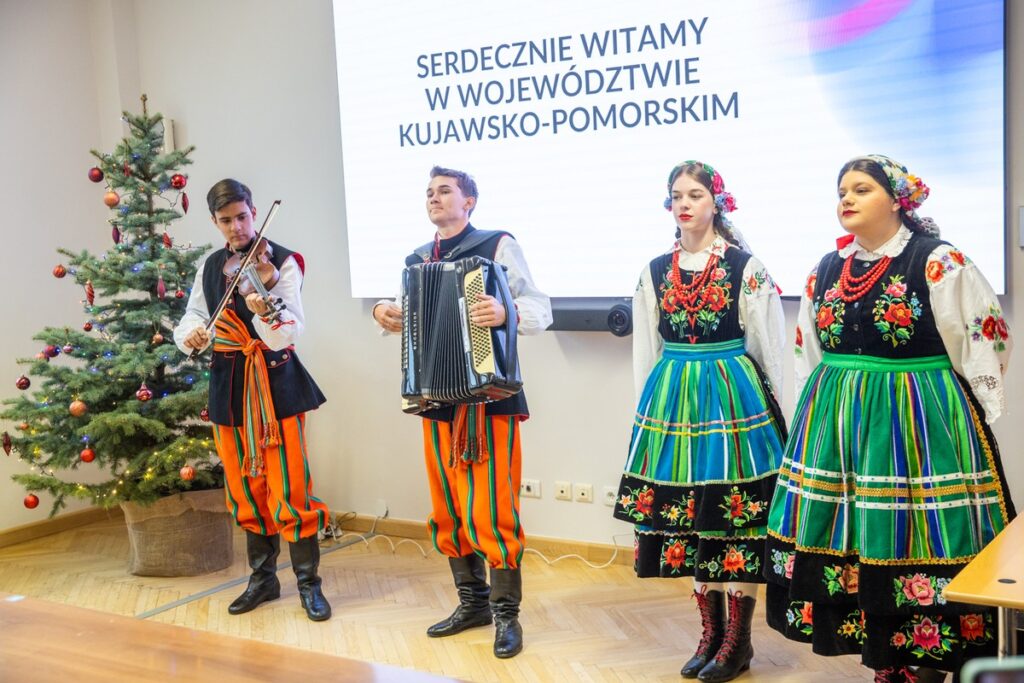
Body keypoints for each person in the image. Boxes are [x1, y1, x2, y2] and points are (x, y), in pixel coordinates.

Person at [763, 155, 1016, 682]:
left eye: (861, 189)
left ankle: (924, 664)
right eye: (842, 191)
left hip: (916, 422)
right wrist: (824, 409)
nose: (847, 200)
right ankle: (887, 662)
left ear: (897, 198)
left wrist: (975, 411)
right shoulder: (826, 269)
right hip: (839, 429)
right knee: (859, 539)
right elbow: (809, 348)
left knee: (916, 536)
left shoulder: (938, 261)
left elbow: (982, 335)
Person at [612, 161, 787, 682]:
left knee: (735, 517)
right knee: (690, 519)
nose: (684, 204)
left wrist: (786, 416)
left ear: (717, 203)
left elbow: (770, 349)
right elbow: (647, 349)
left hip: (733, 400)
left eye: (695, 194)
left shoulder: (745, 268)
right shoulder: (653, 270)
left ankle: (739, 640)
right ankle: (710, 632)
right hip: (676, 402)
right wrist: (646, 414)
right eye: (676, 196)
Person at [372, 166, 551, 659]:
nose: (434, 198)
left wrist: (505, 311)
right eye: (429, 192)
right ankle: (471, 603)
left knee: (492, 507)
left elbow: (539, 307)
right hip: (435, 398)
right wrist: (383, 314)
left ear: (469, 201)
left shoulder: (497, 245)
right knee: (448, 506)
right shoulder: (416, 259)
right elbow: (409, 318)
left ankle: (505, 616)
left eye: (444, 190)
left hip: (489, 400)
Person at [173, 179, 332, 622]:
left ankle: (308, 584)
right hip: (228, 382)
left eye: (243, 217)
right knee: (245, 485)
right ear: (214, 222)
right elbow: (193, 314)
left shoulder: (281, 262)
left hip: (275, 382)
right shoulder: (211, 266)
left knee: (290, 484)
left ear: (254, 211)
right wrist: (193, 335)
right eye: (226, 221)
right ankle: (263, 579)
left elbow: (288, 331)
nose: (238, 228)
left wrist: (266, 311)